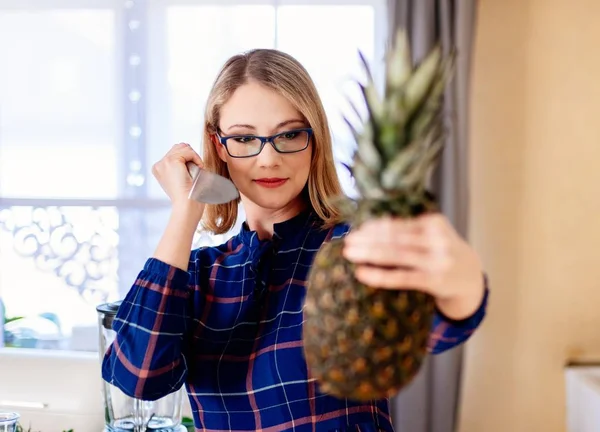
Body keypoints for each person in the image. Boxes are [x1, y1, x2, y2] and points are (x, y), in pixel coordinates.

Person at [102, 48, 489, 432]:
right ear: (218, 145)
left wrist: (462, 285)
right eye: (244, 138)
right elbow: (138, 377)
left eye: (288, 134)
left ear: (314, 138)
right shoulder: (200, 274)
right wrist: (184, 212)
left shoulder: (353, 248)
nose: (269, 160)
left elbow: (435, 328)